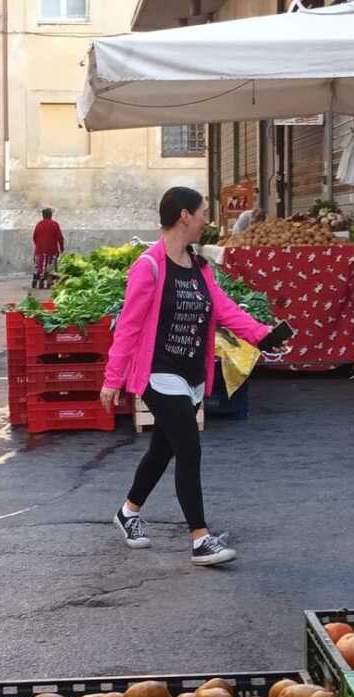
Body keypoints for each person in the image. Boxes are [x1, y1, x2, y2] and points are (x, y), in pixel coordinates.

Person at [100, 187, 288, 567]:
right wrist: (112, 378)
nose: (207, 219)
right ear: (184, 216)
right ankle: (200, 539)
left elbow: (225, 310)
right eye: (203, 212)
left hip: (190, 374)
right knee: (189, 447)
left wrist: (263, 335)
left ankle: (128, 511)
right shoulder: (149, 266)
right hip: (158, 373)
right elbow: (129, 328)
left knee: (164, 448)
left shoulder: (200, 267)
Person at [32, 207, 64, 289]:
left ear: (43, 216)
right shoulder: (54, 224)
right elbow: (60, 237)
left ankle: (37, 280)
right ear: (51, 215)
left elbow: (34, 237)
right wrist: (61, 248)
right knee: (50, 266)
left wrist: (38, 245)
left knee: (39, 265)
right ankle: (49, 282)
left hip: (40, 250)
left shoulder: (39, 224)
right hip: (51, 250)